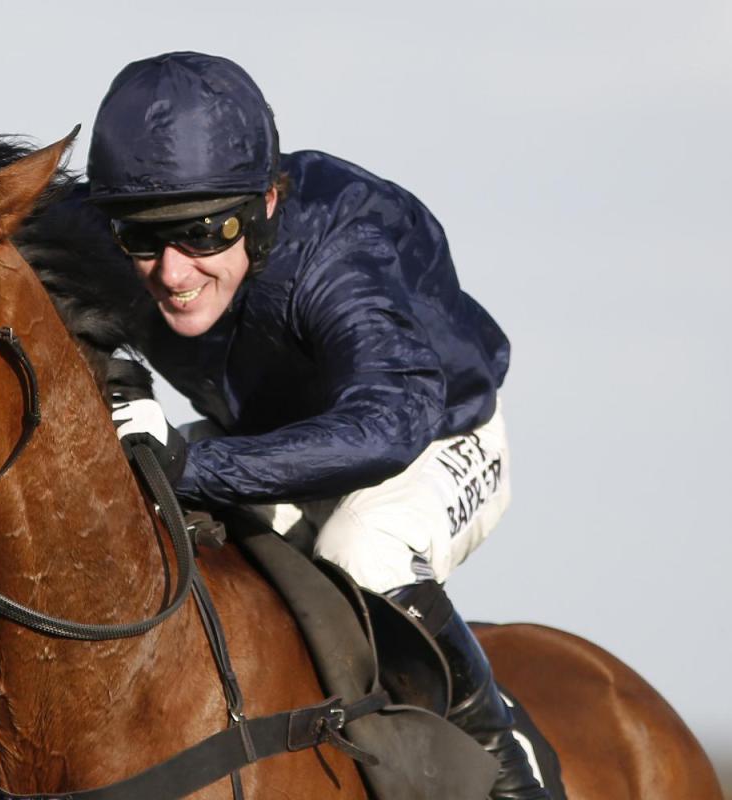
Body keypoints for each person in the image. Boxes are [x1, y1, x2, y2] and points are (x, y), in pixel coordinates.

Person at [91, 52, 546, 799]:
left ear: (268, 203)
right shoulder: (101, 233)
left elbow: (389, 424)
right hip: (266, 442)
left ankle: (506, 766)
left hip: (432, 440)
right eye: (142, 238)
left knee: (362, 547)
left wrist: (190, 464)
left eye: (204, 232)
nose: (172, 273)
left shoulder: (339, 257)